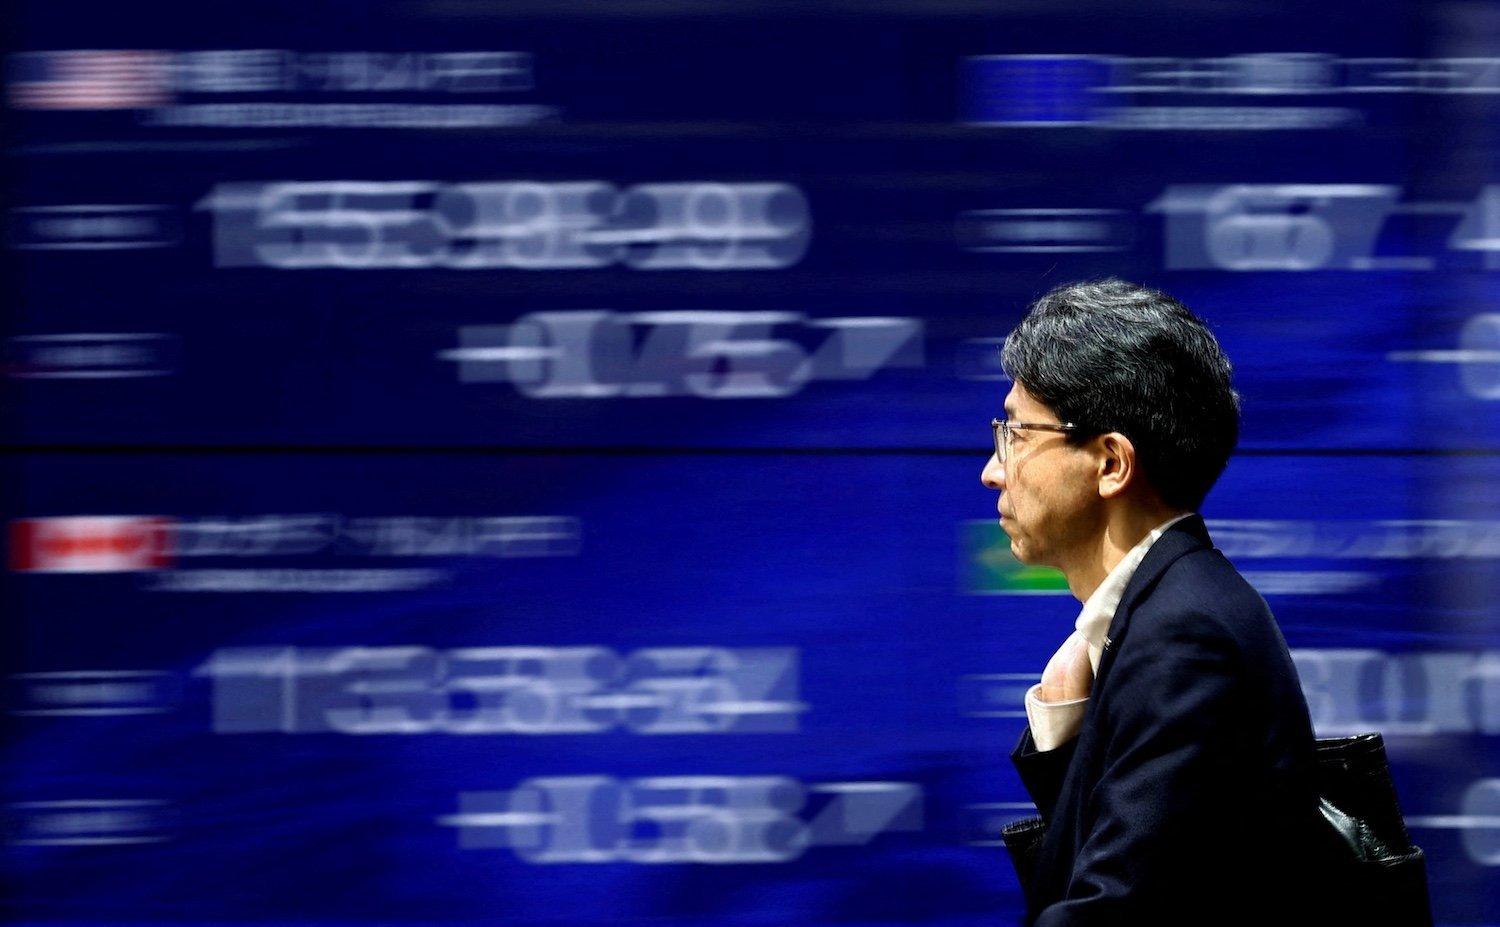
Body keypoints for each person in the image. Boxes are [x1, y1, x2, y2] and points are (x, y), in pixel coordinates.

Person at [981, 278, 1325, 926]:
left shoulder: (1183, 637)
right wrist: (1066, 730)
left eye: (1017, 434)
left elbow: (1119, 911)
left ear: (1111, 462)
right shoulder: (1164, 614)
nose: (993, 469)